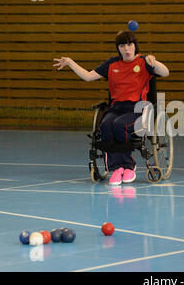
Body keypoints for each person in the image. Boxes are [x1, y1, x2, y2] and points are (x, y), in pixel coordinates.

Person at [53, 30, 169, 185]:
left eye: (129, 45)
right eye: (122, 46)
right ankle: (117, 168)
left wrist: (153, 60)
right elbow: (88, 76)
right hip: (116, 108)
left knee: (119, 125)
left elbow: (165, 72)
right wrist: (70, 62)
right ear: (118, 48)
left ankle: (128, 166)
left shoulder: (143, 62)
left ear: (135, 46)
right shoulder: (112, 64)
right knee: (106, 126)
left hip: (137, 109)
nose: (126, 49)